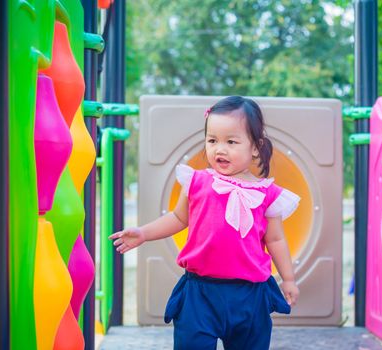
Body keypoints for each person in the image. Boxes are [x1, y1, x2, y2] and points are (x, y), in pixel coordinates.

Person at [109, 96, 300, 350]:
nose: (220, 149)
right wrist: (143, 233)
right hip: (200, 293)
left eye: (231, 142)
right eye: (212, 141)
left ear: (255, 146)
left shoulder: (268, 194)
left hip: (249, 296)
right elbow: (178, 218)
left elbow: (275, 239)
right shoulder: (197, 182)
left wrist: (288, 278)